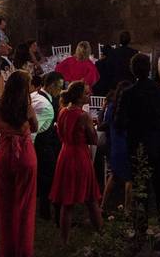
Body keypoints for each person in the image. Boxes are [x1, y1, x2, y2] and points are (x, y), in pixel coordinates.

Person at [117, 53, 160, 211]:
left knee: (140, 190)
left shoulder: (128, 94)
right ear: (149, 68)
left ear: (132, 71)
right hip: (159, 144)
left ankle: (141, 227)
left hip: (139, 146)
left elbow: (119, 122)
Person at [50, 81, 104, 245]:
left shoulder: (62, 111)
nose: (89, 95)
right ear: (80, 97)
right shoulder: (83, 116)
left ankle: (64, 240)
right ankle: (102, 234)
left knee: (67, 202)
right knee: (91, 198)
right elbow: (94, 140)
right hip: (79, 156)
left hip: (65, 154)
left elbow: (60, 133)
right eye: (87, 93)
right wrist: (94, 128)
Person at [0, 70, 39, 257]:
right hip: (25, 155)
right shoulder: (27, 107)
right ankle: (23, 250)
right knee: (25, 204)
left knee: (5, 203)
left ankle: (8, 249)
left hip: (4, 154)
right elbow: (35, 127)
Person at [32, 71, 65, 222]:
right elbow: (35, 129)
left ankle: (46, 210)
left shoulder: (35, 95)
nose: (61, 90)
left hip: (45, 144)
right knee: (48, 178)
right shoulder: (45, 104)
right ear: (52, 86)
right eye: (59, 87)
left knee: (46, 178)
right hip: (44, 145)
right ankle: (46, 211)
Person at [100, 80, 132, 210]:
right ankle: (128, 210)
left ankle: (103, 205)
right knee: (130, 178)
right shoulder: (129, 108)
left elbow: (104, 123)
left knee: (114, 174)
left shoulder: (112, 107)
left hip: (115, 145)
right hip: (126, 144)